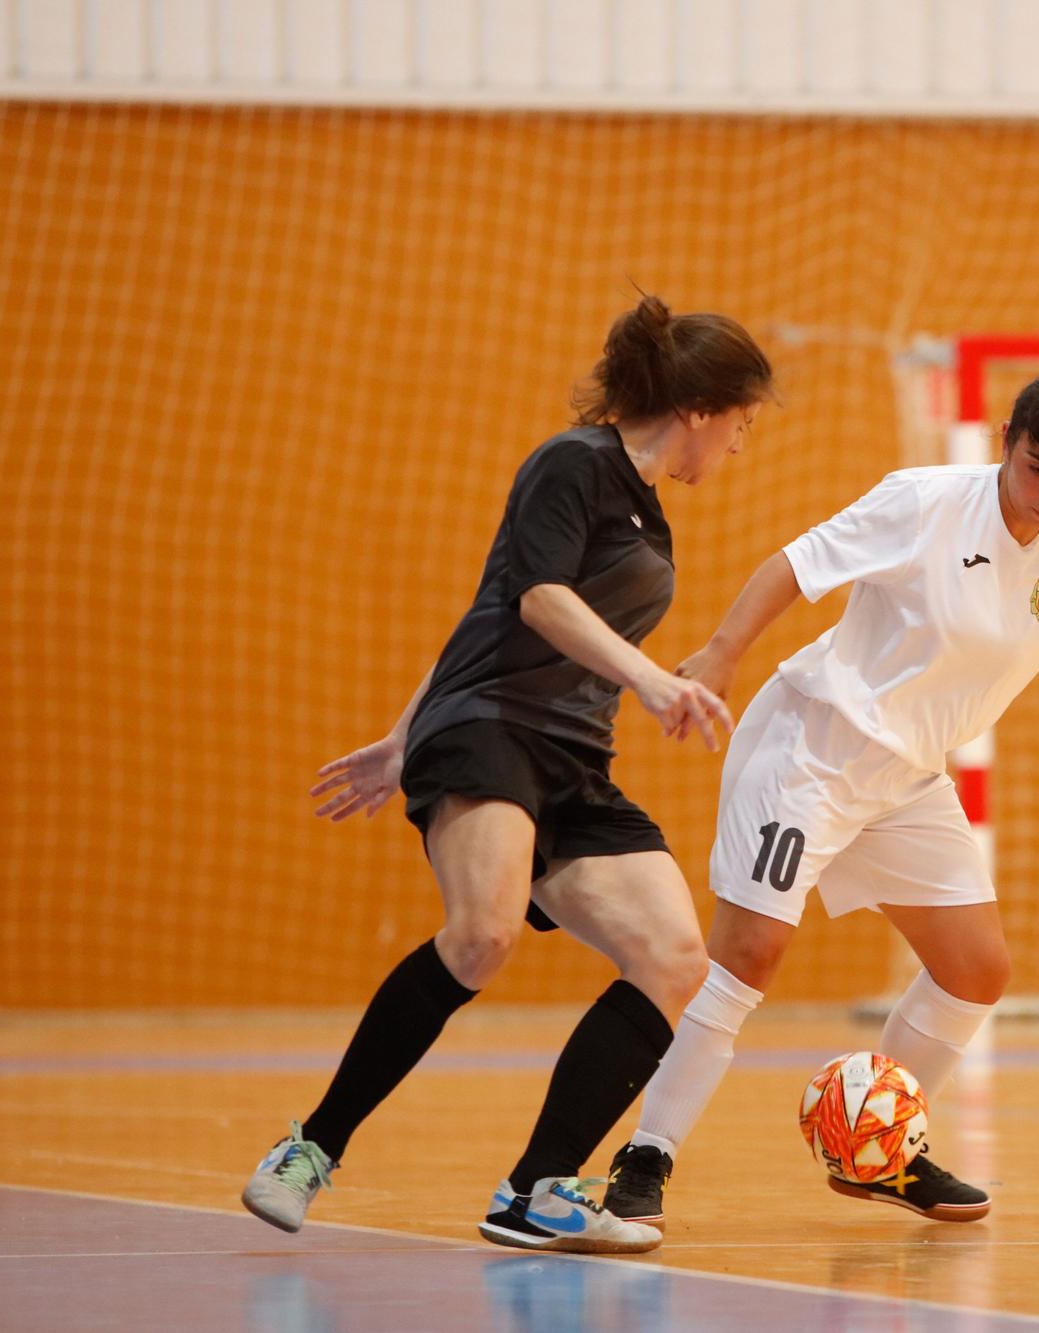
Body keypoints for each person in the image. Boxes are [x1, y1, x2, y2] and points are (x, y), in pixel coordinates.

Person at [596, 367, 1039, 1228]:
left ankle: (880, 1151)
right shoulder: (928, 499)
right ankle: (645, 1157)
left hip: (907, 780)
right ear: (1007, 441)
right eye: (1038, 467)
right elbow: (797, 563)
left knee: (978, 969)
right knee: (747, 955)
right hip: (813, 746)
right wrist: (719, 653)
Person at [240, 294, 773, 1256]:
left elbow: (484, 604)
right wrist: (646, 677)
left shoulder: (651, 515)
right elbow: (531, 601)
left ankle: (534, 1189)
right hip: (489, 730)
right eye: (740, 424)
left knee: (676, 959)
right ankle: (311, 1147)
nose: (737, 447)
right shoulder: (575, 462)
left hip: (572, 755)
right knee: (483, 934)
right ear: (701, 407)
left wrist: (400, 732)